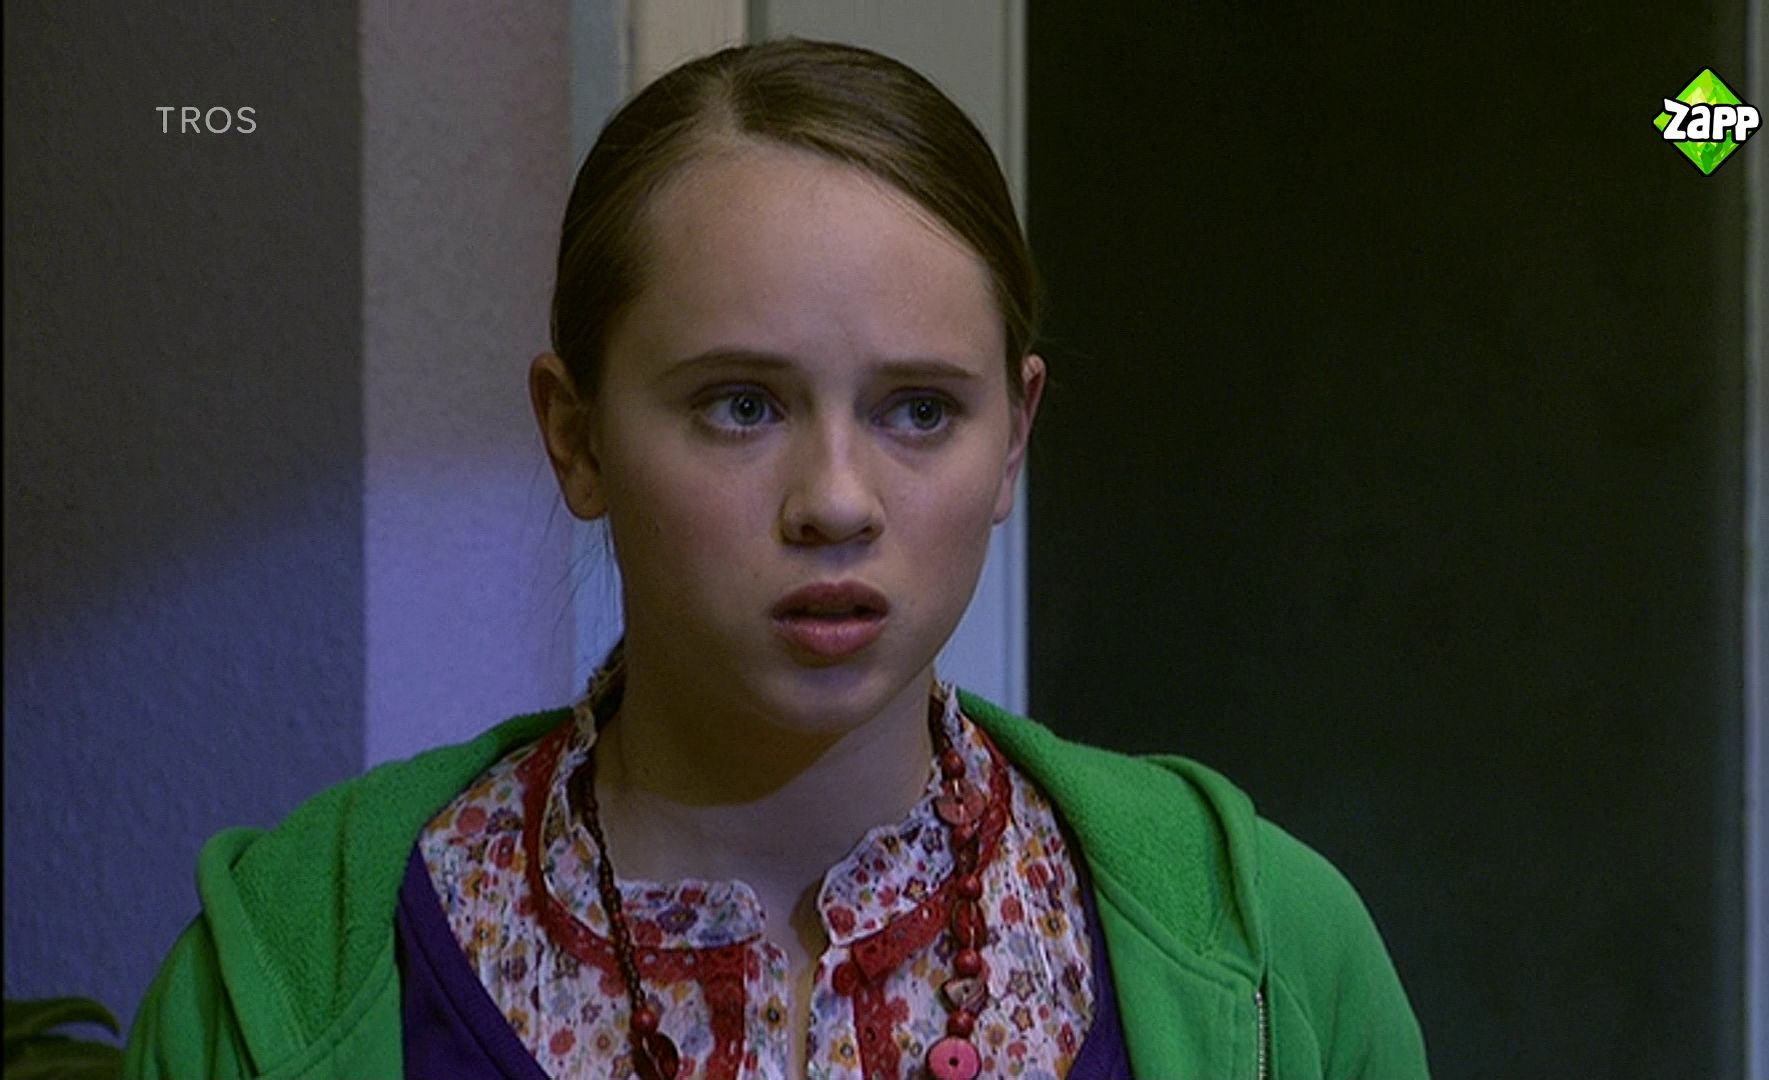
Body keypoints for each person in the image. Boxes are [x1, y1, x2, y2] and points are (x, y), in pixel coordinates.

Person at [123, 38, 1427, 1080]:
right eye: (742, 405)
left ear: (1014, 437)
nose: (838, 501)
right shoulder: (279, 988)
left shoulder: (1275, 962)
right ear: (576, 436)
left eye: (921, 410)